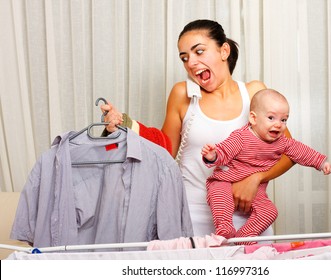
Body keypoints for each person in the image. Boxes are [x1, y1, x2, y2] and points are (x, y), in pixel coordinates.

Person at [101, 19, 295, 237]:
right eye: (184, 58)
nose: (191, 63)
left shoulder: (253, 93)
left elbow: (288, 153)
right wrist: (124, 124)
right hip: (193, 214)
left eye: (199, 52)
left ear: (224, 51)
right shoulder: (182, 93)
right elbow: (165, 150)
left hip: (249, 214)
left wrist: (255, 179)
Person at [201, 89, 331, 243]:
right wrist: (213, 155)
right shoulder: (241, 137)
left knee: (269, 212)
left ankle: (245, 235)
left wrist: (321, 162)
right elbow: (225, 150)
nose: (278, 125)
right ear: (253, 118)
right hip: (225, 180)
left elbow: (301, 151)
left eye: (284, 120)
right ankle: (225, 229)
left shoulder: (282, 142)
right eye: (271, 118)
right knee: (218, 196)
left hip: (255, 189)